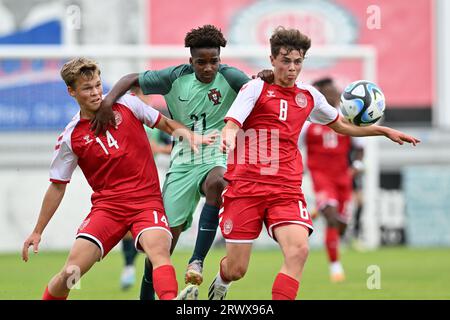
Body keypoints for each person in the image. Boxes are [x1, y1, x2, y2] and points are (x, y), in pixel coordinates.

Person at [209, 26, 420, 300]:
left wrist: (383, 130)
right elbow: (233, 122)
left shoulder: (309, 97)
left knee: (299, 251)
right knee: (237, 269)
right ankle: (222, 281)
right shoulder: (255, 88)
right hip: (246, 187)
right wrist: (227, 135)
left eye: (298, 62)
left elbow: (342, 126)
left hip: (285, 190)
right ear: (272, 59)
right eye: (286, 61)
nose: (292, 68)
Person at [91, 25, 271, 300]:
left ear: (220, 60)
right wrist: (107, 103)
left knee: (219, 182)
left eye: (214, 61)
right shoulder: (174, 77)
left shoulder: (231, 76)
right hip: (182, 161)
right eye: (202, 62)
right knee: (160, 247)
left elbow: (254, 90)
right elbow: (129, 79)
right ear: (191, 61)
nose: (208, 68)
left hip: (216, 153)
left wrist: (264, 78)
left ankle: (197, 260)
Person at [21, 57, 212, 300]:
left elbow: (163, 122)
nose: (95, 92)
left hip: (146, 202)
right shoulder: (71, 137)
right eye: (87, 88)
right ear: (71, 91)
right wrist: (38, 230)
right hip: (108, 209)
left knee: (159, 252)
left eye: (98, 85)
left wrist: (188, 135)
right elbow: (57, 186)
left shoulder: (127, 103)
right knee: (71, 273)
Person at [300, 77, 365, 282]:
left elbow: (359, 147)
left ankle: (320, 210)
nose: (335, 93)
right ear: (320, 94)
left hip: (343, 178)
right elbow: (292, 144)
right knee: (332, 217)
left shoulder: (346, 118)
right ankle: (335, 267)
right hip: (321, 177)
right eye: (329, 90)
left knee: (340, 224)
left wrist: (357, 166)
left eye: (335, 90)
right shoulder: (307, 121)